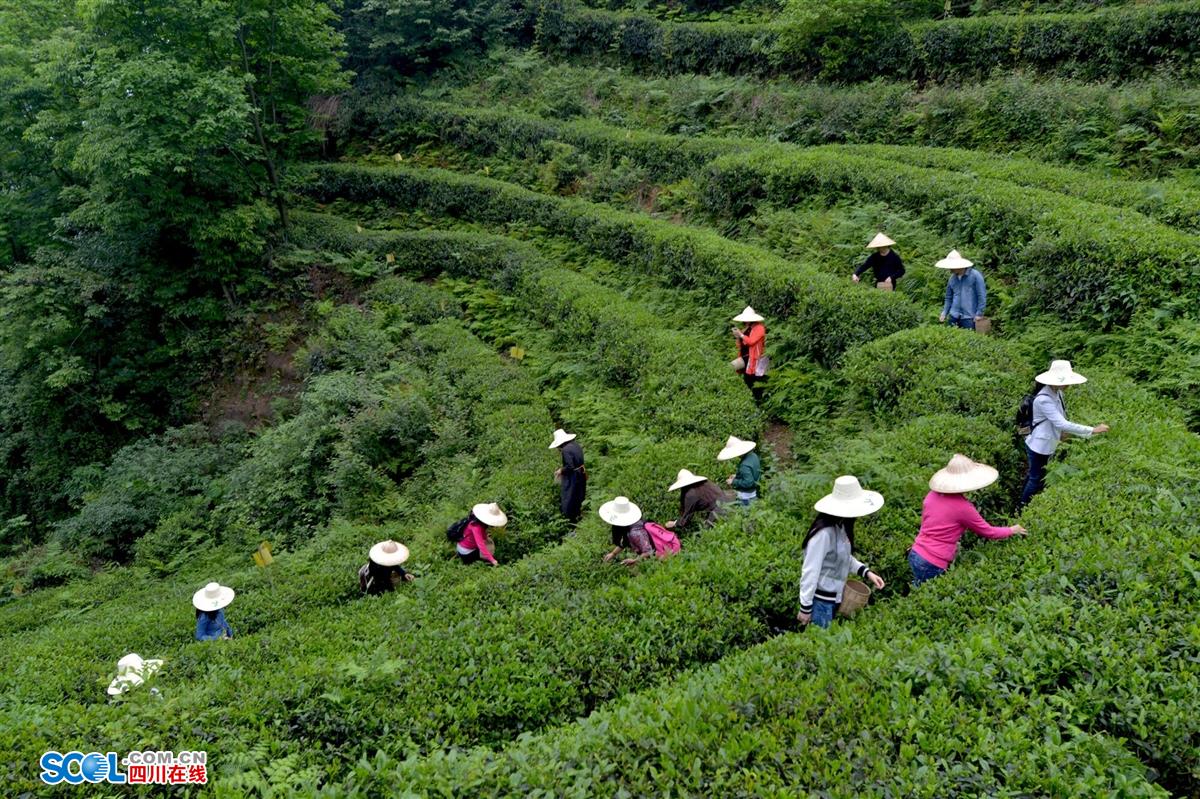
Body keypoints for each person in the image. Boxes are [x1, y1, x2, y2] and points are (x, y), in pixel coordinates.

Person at [909, 454, 1028, 587]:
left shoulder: (931, 495)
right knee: (928, 594)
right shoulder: (963, 507)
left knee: (918, 585)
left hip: (916, 553)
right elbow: (989, 532)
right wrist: (1012, 530)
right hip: (933, 561)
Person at [1017, 360, 1110, 509]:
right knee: (1035, 479)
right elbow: (1061, 423)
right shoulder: (1043, 399)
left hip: (1047, 441)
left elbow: (1059, 418)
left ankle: (1024, 500)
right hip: (1039, 445)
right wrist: (1092, 430)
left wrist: (1062, 433)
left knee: (1035, 474)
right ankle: (1022, 508)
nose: (1068, 385)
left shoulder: (1057, 393)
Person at [797, 476, 886, 629]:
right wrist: (805, 608)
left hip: (834, 599)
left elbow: (844, 557)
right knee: (820, 645)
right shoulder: (823, 534)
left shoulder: (841, 526)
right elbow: (810, 571)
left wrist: (867, 573)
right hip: (820, 602)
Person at [665, 469, 729, 533]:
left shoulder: (690, 494)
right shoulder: (706, 483)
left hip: (719, 509)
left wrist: (674, 523)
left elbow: (686, 518)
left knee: (706, 532)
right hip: (728, 503)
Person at [936, 250, 986, 330]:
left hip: (969, 317)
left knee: (968, 341)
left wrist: (979, 314)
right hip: (953, 315)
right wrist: (944, 312)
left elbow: (982, 296)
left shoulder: (975, 276)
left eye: (952, 266)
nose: (950, 269)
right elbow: (948, 298)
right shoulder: (952, 279)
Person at [599, 496, 657, 565]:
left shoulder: (635, 533)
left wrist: (634, 561)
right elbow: (625, 542)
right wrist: (613, 553)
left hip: (659, 555)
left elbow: (649, 551)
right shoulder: (630, 525)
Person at [550, 428, 587, 524]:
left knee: (569, 497)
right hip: (581, 473)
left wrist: (561, 470)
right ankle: (579, 516)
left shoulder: (566, 450)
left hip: (574, 477)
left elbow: (570, 467)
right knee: (579, 496)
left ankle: (570, 520)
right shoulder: (575, 445)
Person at [731, 306, 767, 402]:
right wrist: (738, 337)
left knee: (754, 379)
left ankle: (759, 400)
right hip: (746, 357)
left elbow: (751, 342)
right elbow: (742, 343)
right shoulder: (747, 328)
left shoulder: (759, 328)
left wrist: (741, 335)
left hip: (755, 358)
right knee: (747, 379)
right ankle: (753, 398)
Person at [718, 435, 761, 506]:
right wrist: (737, 475)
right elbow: (752, 472)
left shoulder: (744, 465)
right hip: (753, 494)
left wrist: (733, 481)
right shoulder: (753, 456)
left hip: (745, 497)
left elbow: (748, 482)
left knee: (744, 515)